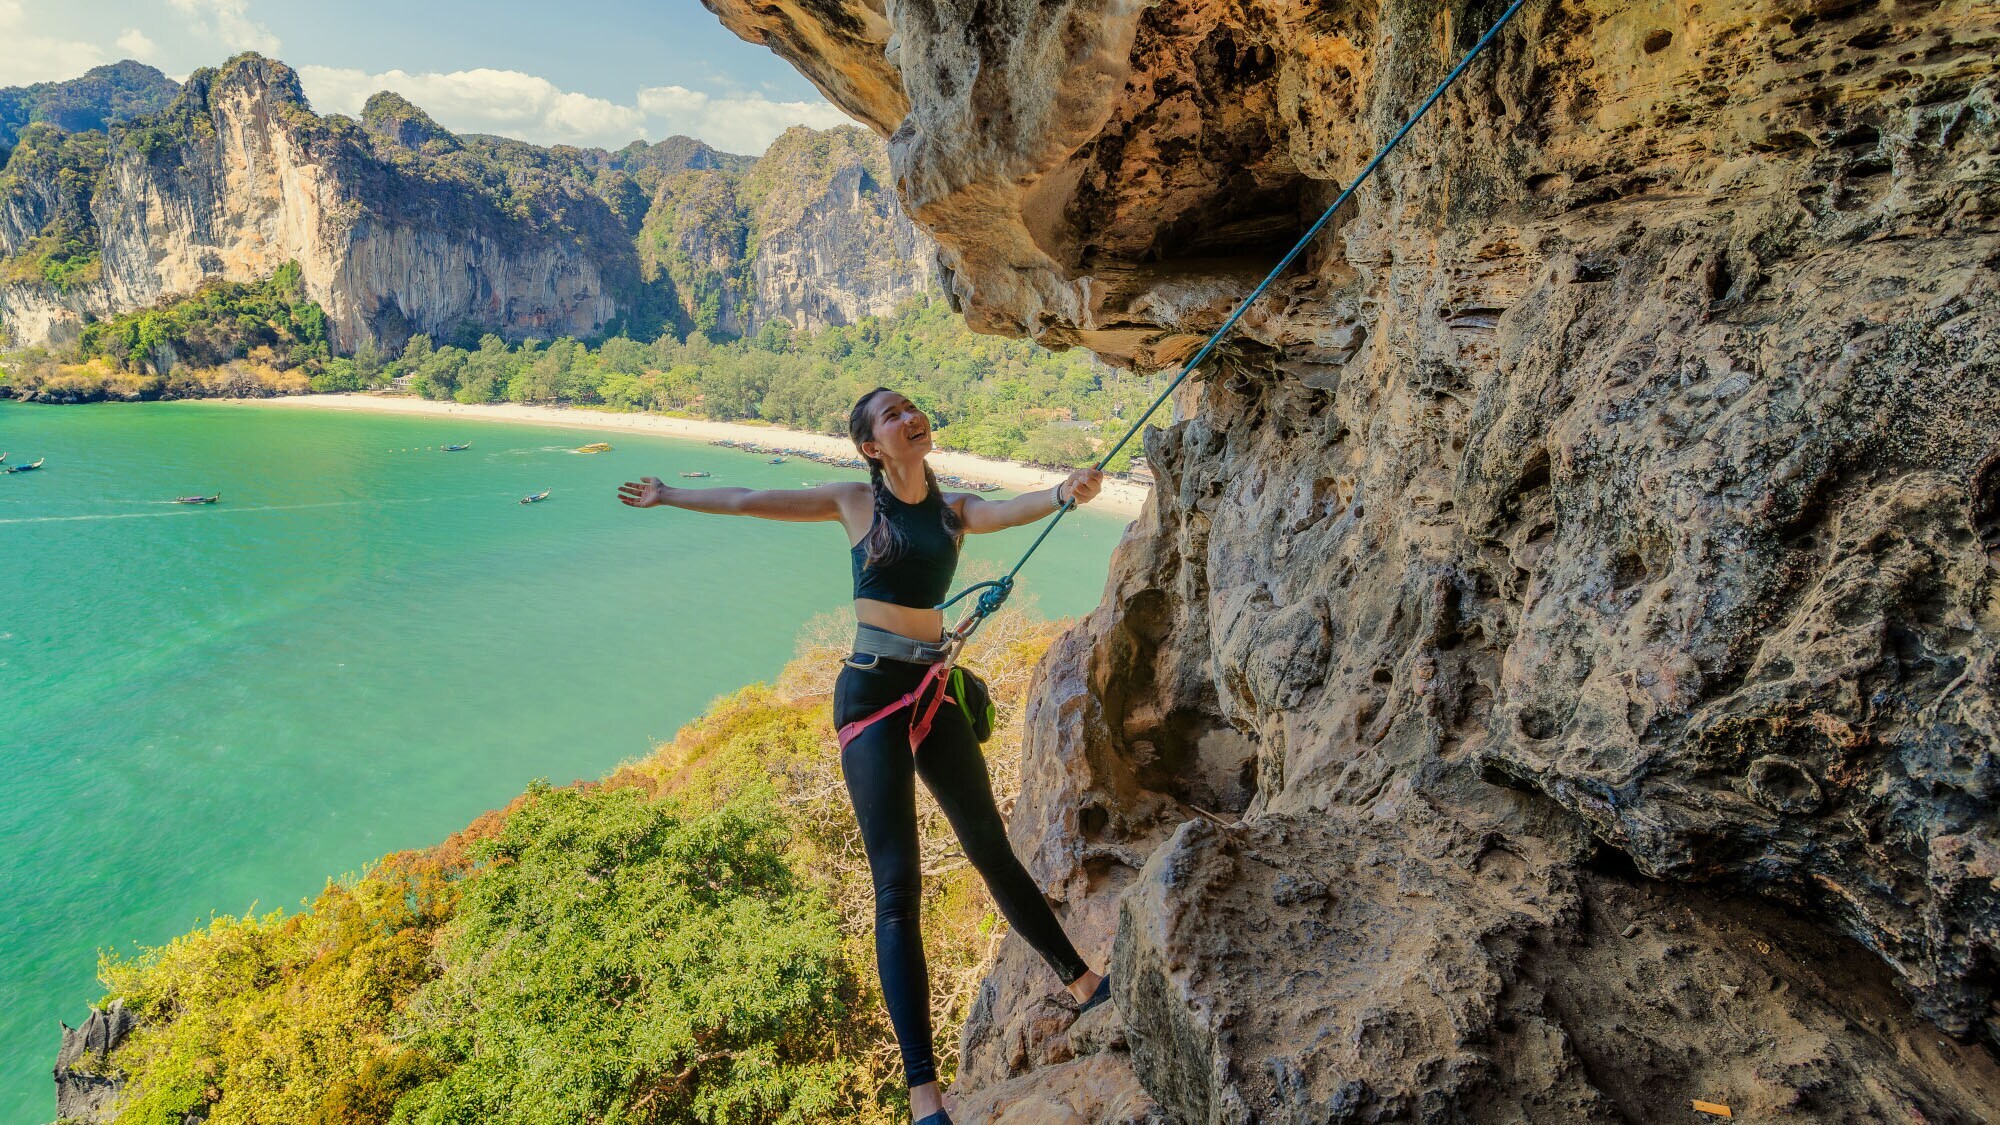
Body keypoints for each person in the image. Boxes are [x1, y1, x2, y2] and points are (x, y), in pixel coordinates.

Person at [616, 387, 1110, 1124]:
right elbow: (754, 497)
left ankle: (1082, 981)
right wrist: (670, 495)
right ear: (871, 447)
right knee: (897, 886)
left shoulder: (955, 510)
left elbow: (1021, 507)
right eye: (890, 415)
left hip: (935, 689)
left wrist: (1066, 490)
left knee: (990, 849)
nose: (909, 416)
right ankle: (924, 1097)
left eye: (912, 406)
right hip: (872, 697)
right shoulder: (855, 501)